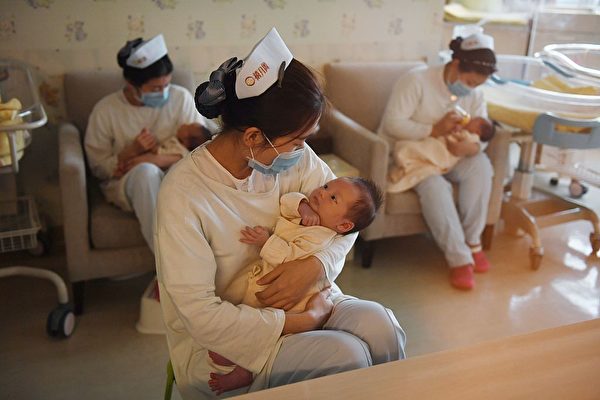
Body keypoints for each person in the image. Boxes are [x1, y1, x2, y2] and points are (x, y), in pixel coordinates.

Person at [155, 28, 406, 399]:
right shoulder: (185, 194)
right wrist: (302, 321)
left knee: (381, 325)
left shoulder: (294, 160)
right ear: (254, 137)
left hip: (308, 296)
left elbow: (347, 221)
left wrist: (317, 267)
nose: (302, 151)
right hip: (231, 338)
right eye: (297, 141)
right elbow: (200, 316)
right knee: (345, 355)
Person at [208, 176, 384, 395]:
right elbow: (287, 201)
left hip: (295, 301)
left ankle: (245, 369)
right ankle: (237, 350)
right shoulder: (310, 212)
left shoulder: (320, 237)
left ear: (343, 225)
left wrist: (266, 241)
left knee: (269, 331)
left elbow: (291, 260)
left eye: (332, 198)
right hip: (270, 285)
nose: (321, 192)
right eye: (326, 186)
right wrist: (302, 206)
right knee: (253, 314)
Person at [378, 32, 497, 290]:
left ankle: (473, 241)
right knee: (435, 186)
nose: (471, 89)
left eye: (477, 84)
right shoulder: (416, 80)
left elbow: (483, 129)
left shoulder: (475, 94)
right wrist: (434, 130)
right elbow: (392, 123)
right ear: (455, 64)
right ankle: (459, 259)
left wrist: (473, 145)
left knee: (482, 166)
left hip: (451, 153)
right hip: (416, 152)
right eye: (469, 81)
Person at [84, 34, 213, 252]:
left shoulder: (180, 98)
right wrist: (131, 153)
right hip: (129, 181)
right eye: (154, 88)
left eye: (166, 84)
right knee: (146, 173)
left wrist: (156, 158)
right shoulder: (106, 111)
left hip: (176, 173)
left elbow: (202, 151)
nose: (163, 92)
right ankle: (167, 262)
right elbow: (99, 168)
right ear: (131, 84)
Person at [388, 117, 495, 193]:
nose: (471, 118)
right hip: (438, 144)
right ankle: (406, 159)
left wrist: (454, 134)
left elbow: (457, 144)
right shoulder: (464, 129)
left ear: (477, 131)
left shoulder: (472, 137)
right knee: (423, 149)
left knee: (482, 164)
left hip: (445, 154)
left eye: (475, 120)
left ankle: (405, 156)